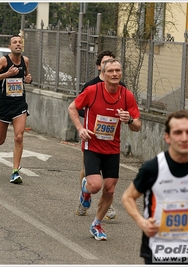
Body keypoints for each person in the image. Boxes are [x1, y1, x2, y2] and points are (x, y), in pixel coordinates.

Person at [122, 109, 188, 264]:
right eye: (178, 133)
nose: (184, 138)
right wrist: (142, 222)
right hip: (156, 249)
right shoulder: (153, 168)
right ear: (167, 137)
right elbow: (128, 197)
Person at [68, 58, 141, 241]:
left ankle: (96, 224)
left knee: (109, 189)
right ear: (104, 74)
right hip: (92, 145)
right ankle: (86, 188)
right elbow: (72, 107)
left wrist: (129, 120)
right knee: (95, 186)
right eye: (111, 71)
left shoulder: (127, 96)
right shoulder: (93, 91)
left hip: (112, 148)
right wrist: (80, 128)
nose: (115, 74)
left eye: (118, 71)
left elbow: (138, 125)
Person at [76, 50, 128, 220]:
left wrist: (127, 118)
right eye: (107, 65)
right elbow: (78, 109)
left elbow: (130, 116)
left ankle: (106, 206)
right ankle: (86, 194)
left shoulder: (122, 89)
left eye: (115, 67)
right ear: (101, 68)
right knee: (90, 175)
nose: (112, 71)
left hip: (110, 143)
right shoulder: (91, 87)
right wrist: (85, 127)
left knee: (109, 184)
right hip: (91, 139)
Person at [0, 34, 32, 184]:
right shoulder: (4, 60)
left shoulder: (25, 61)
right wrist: (6, 74)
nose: (18, 44)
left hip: (19, 104)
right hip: (4, 104)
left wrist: (27, 80)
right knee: (1, 139)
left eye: (20, 42)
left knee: (19, 136)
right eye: (15, 42)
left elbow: (24, 77)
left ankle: (15, 171)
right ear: (9, 47)